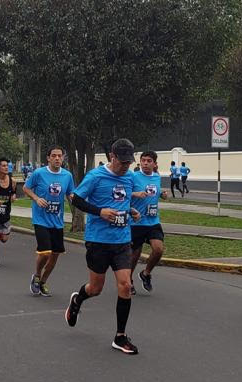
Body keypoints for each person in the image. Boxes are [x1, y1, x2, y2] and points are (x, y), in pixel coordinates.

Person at [64, 138, 142, 355]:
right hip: (98, 240)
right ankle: (78, 299)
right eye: (122, 162)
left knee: (125, 285)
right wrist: (100, 212)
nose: (125, 166)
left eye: (128, 163)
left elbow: (123, 200)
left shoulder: (130, 177)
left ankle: (120, 336)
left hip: (122, 241)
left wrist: (130, 211)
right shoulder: (96, 176)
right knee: (95, 288)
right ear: (112, 157)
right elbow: (76, 199)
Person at [22, 146, 76, 297]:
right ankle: (37, 275)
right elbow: (26, 188)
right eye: (54, 156)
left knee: (55, 255)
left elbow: (70, 193)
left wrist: (76, 199)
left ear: (63, 158)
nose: (57, 158)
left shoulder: (67, 175)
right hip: (41, 219)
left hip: (57, 221)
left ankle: (43, 282)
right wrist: (37, 198)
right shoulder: (39, 173)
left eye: (60, 155)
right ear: (48, 158)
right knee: (45, 252)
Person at [130, 151, 168, 294]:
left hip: (153, 221)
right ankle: (128, 280)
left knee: (158, 249)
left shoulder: (157, 177)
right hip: (137, 222)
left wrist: (162, 194)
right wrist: (135, 194)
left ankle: (145, 274)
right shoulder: (133, 177)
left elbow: (154, 192)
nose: (145, 163)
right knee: (135, 254)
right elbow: (123, 193)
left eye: (149, 161)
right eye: (143, 160)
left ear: (155, 164)